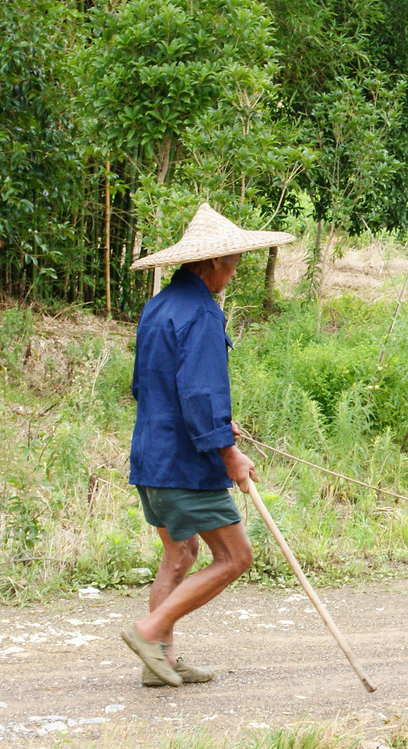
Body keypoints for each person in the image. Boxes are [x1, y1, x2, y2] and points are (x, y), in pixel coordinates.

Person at [121, 203, 293, 687]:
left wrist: (219, 427)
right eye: (234, 262)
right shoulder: (201, 313)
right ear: (212, 263)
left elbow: (149, 386)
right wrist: (228, 452)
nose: (234, 271)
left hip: (150, 457)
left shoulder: (158, 307)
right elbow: (200, 393)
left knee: (179, 555)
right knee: (236, 557)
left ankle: (161, 662)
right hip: (184, 467)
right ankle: (150, 631)